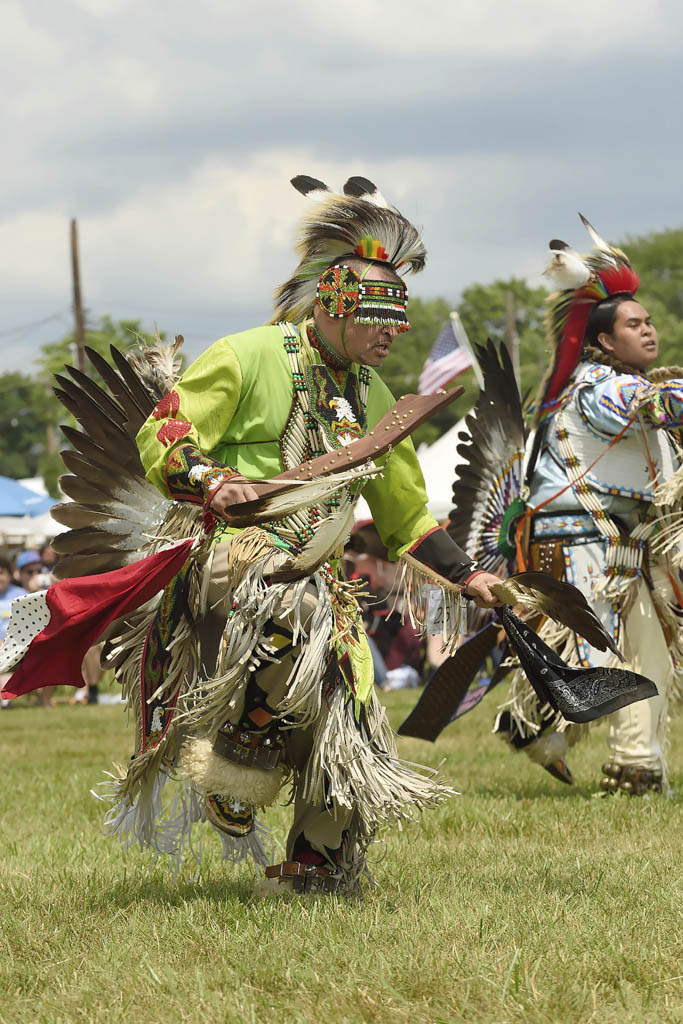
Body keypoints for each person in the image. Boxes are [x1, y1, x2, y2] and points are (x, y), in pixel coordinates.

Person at [498, 218, 683, 794]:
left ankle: (635, 764)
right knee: (596, 657)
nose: (649, 331)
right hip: (577, 539)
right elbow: (658, 404)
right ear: (604, 340)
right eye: (635, 324)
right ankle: (531, 723)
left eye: (650, 321)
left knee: (649, 641)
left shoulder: (624, 382)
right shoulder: (598, 387)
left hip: (620, 540)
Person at [0, 555, 26, 709]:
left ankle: (6, 699)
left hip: (18, 648)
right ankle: (6, 699)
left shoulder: (21, 595)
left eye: (1, 573)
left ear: (10, 575)